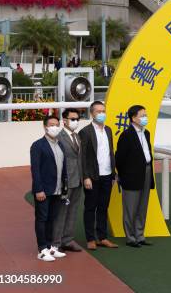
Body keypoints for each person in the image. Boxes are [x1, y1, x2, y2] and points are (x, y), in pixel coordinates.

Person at [80, 101, 118, 250]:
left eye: (103, 111)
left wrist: (113, 174)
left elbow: (110, 153)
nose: (102, 114)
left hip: (107, 176)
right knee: (90, 207)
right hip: (92, 177)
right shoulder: (85, 132)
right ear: (92, 114)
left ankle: (102, 237)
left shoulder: (108, 130)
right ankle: (90, 239)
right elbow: (82, 157)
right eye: (98, 111)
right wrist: (86, 177)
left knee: (103, 207)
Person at [115, 105, 155, 248]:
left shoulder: (147, 133)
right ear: (133, 118)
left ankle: (140, 235)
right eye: (142, 115)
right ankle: (130, 237)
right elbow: (119, 159)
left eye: (146, 115)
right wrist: (124, 176)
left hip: (147, 171)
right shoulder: (126, 135)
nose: (145, 118)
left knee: (142, 207)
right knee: (130, 208)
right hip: (131, 176)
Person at [30, 115, 68, 262]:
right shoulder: (38, 145)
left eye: (57, 124)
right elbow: (35, 170)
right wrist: (39, 189)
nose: (55, 127)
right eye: (51, 124)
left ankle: (51, 247)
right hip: (44, 190)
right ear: (45, 127)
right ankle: (42, 249)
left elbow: (63, 168)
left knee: (52, 219)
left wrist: (64, 187)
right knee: (42, 219)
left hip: (57, 189)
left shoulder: (60, 145)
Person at [52, 109, 84, 253]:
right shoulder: (58, 137)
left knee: (73, 211)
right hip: (65, 181)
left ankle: (68, 240)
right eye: (72, 119)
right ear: (64, 120)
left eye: (77, 119)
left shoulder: (77, 136)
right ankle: (56, 242)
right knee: (61, 212)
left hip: (78, 180)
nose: (75, 121)